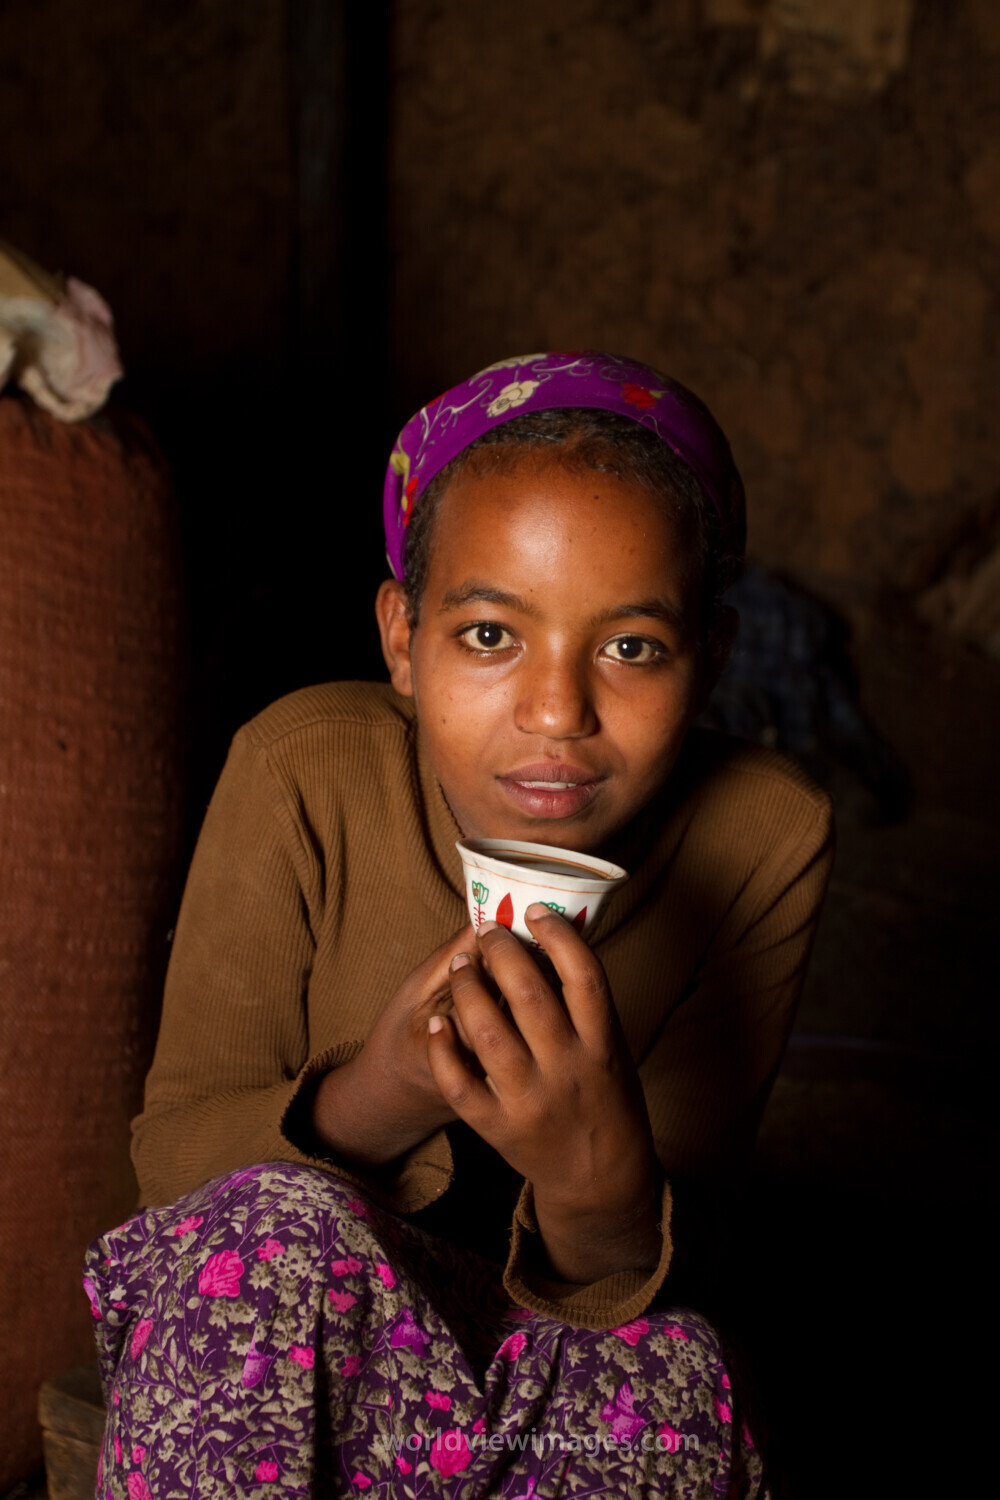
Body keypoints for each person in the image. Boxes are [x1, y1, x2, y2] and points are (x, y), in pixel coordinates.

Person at [83, 351, 833, 1498]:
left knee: (688, 1371)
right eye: (489, 636)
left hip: (545, 1405)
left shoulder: (760, 836)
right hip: (290, 1363)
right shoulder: (303, 772)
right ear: (402, 637)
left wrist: (595, 1182)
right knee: (272, 1231)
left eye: (631, 648)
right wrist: (381, 1094)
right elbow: (168, 1175)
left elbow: (674, 1268)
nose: (555, 711)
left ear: (710, 662)